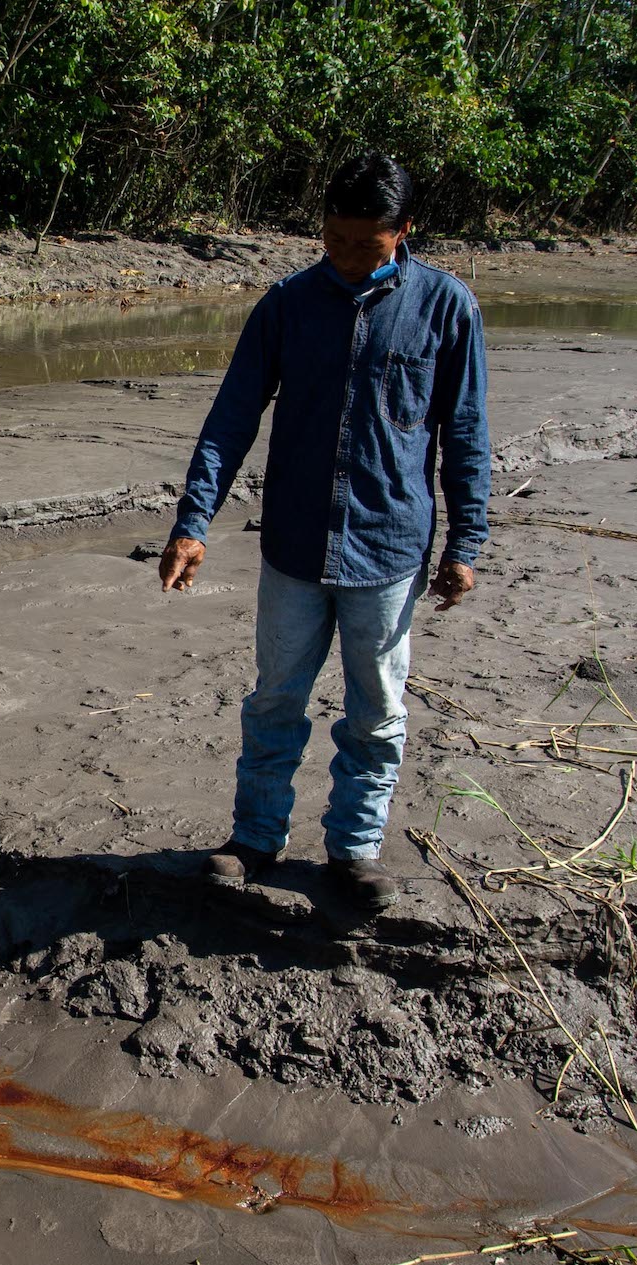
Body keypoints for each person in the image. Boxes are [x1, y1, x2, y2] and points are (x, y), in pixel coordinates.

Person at [156, 153, 490, 912]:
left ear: (404, 232)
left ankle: (355, 850)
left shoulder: (446, 308)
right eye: (331, 238)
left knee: (376, 712)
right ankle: (254, 839)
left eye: (362, 244)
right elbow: (232, 417)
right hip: (297, 548)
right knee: (275, 699)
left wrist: (466, 544)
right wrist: (193, 520)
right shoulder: (287, 305)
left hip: (390, 550)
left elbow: (465, 432)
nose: (340, 256)